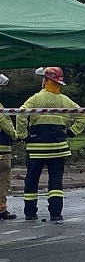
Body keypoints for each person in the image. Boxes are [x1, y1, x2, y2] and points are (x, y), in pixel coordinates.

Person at [16, 67, 85, 221]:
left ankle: (30, 213)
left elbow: (21, 114)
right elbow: (84, 116)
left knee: (31, 180)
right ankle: (55, 213)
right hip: (58, 149)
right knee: (55, 181)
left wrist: (23, 135)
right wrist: (71, 132)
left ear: (46, 81)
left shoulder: (36, 98)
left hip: (36, 148)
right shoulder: (65, 100)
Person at [0, 74, 18, 220]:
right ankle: (1, 209)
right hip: (2, 152)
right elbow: (6, 125)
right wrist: (15, 135)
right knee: (2, 180)